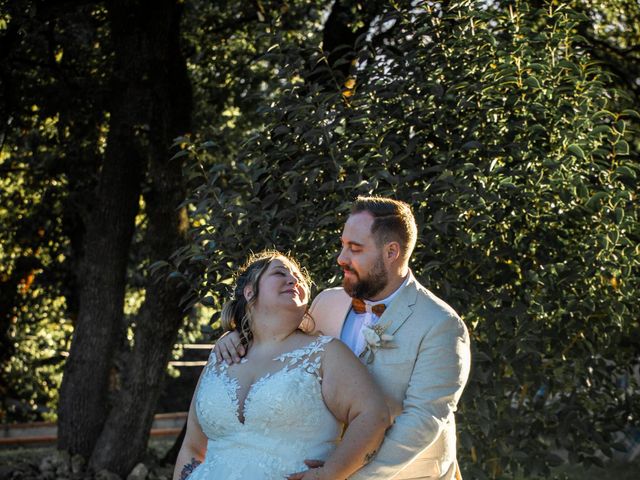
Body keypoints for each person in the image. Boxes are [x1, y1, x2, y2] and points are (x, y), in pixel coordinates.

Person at [215, 197, 471, 480]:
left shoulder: (441, 324)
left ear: (391, 252)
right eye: (343, 245)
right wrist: (238, 335)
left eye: (355, 249)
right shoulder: (327, 302)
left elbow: (423, 421)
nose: (341, 258)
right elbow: (277, 339)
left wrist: (342, 474)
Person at [173, 250, 390, 480]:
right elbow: (192, 447)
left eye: (299, 278)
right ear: (249, 292)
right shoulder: (221, 356)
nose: (293, 280)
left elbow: (373, 415)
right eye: (280, 273)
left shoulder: (326, 353)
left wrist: (332, 472)